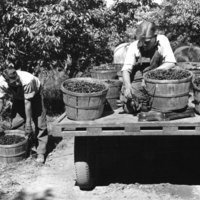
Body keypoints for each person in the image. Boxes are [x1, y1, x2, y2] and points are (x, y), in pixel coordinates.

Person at [120, 21, 177, 113]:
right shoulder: (133, 46)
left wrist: (150, 75)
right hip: (140, 75)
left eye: (147, 42)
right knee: (130, 104)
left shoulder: (162, 40)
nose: (144, 44)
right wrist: (127, 87)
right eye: (141, 41)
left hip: (159, 73)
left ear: (154, 36)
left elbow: (171, 62)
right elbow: (126, 70)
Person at [0, 66, 48, 163]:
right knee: (16, 122)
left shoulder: (27, 80)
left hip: (34, 96)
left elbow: (27, 102)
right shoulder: (1, 83)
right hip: (18, 97)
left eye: (17, 80)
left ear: (17, 75)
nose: (17, 83)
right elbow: (0, 100)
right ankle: (26, 147)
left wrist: (28, 123)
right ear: (7, 81)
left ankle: (41, 152)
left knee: (39, 123)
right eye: (13, 83)